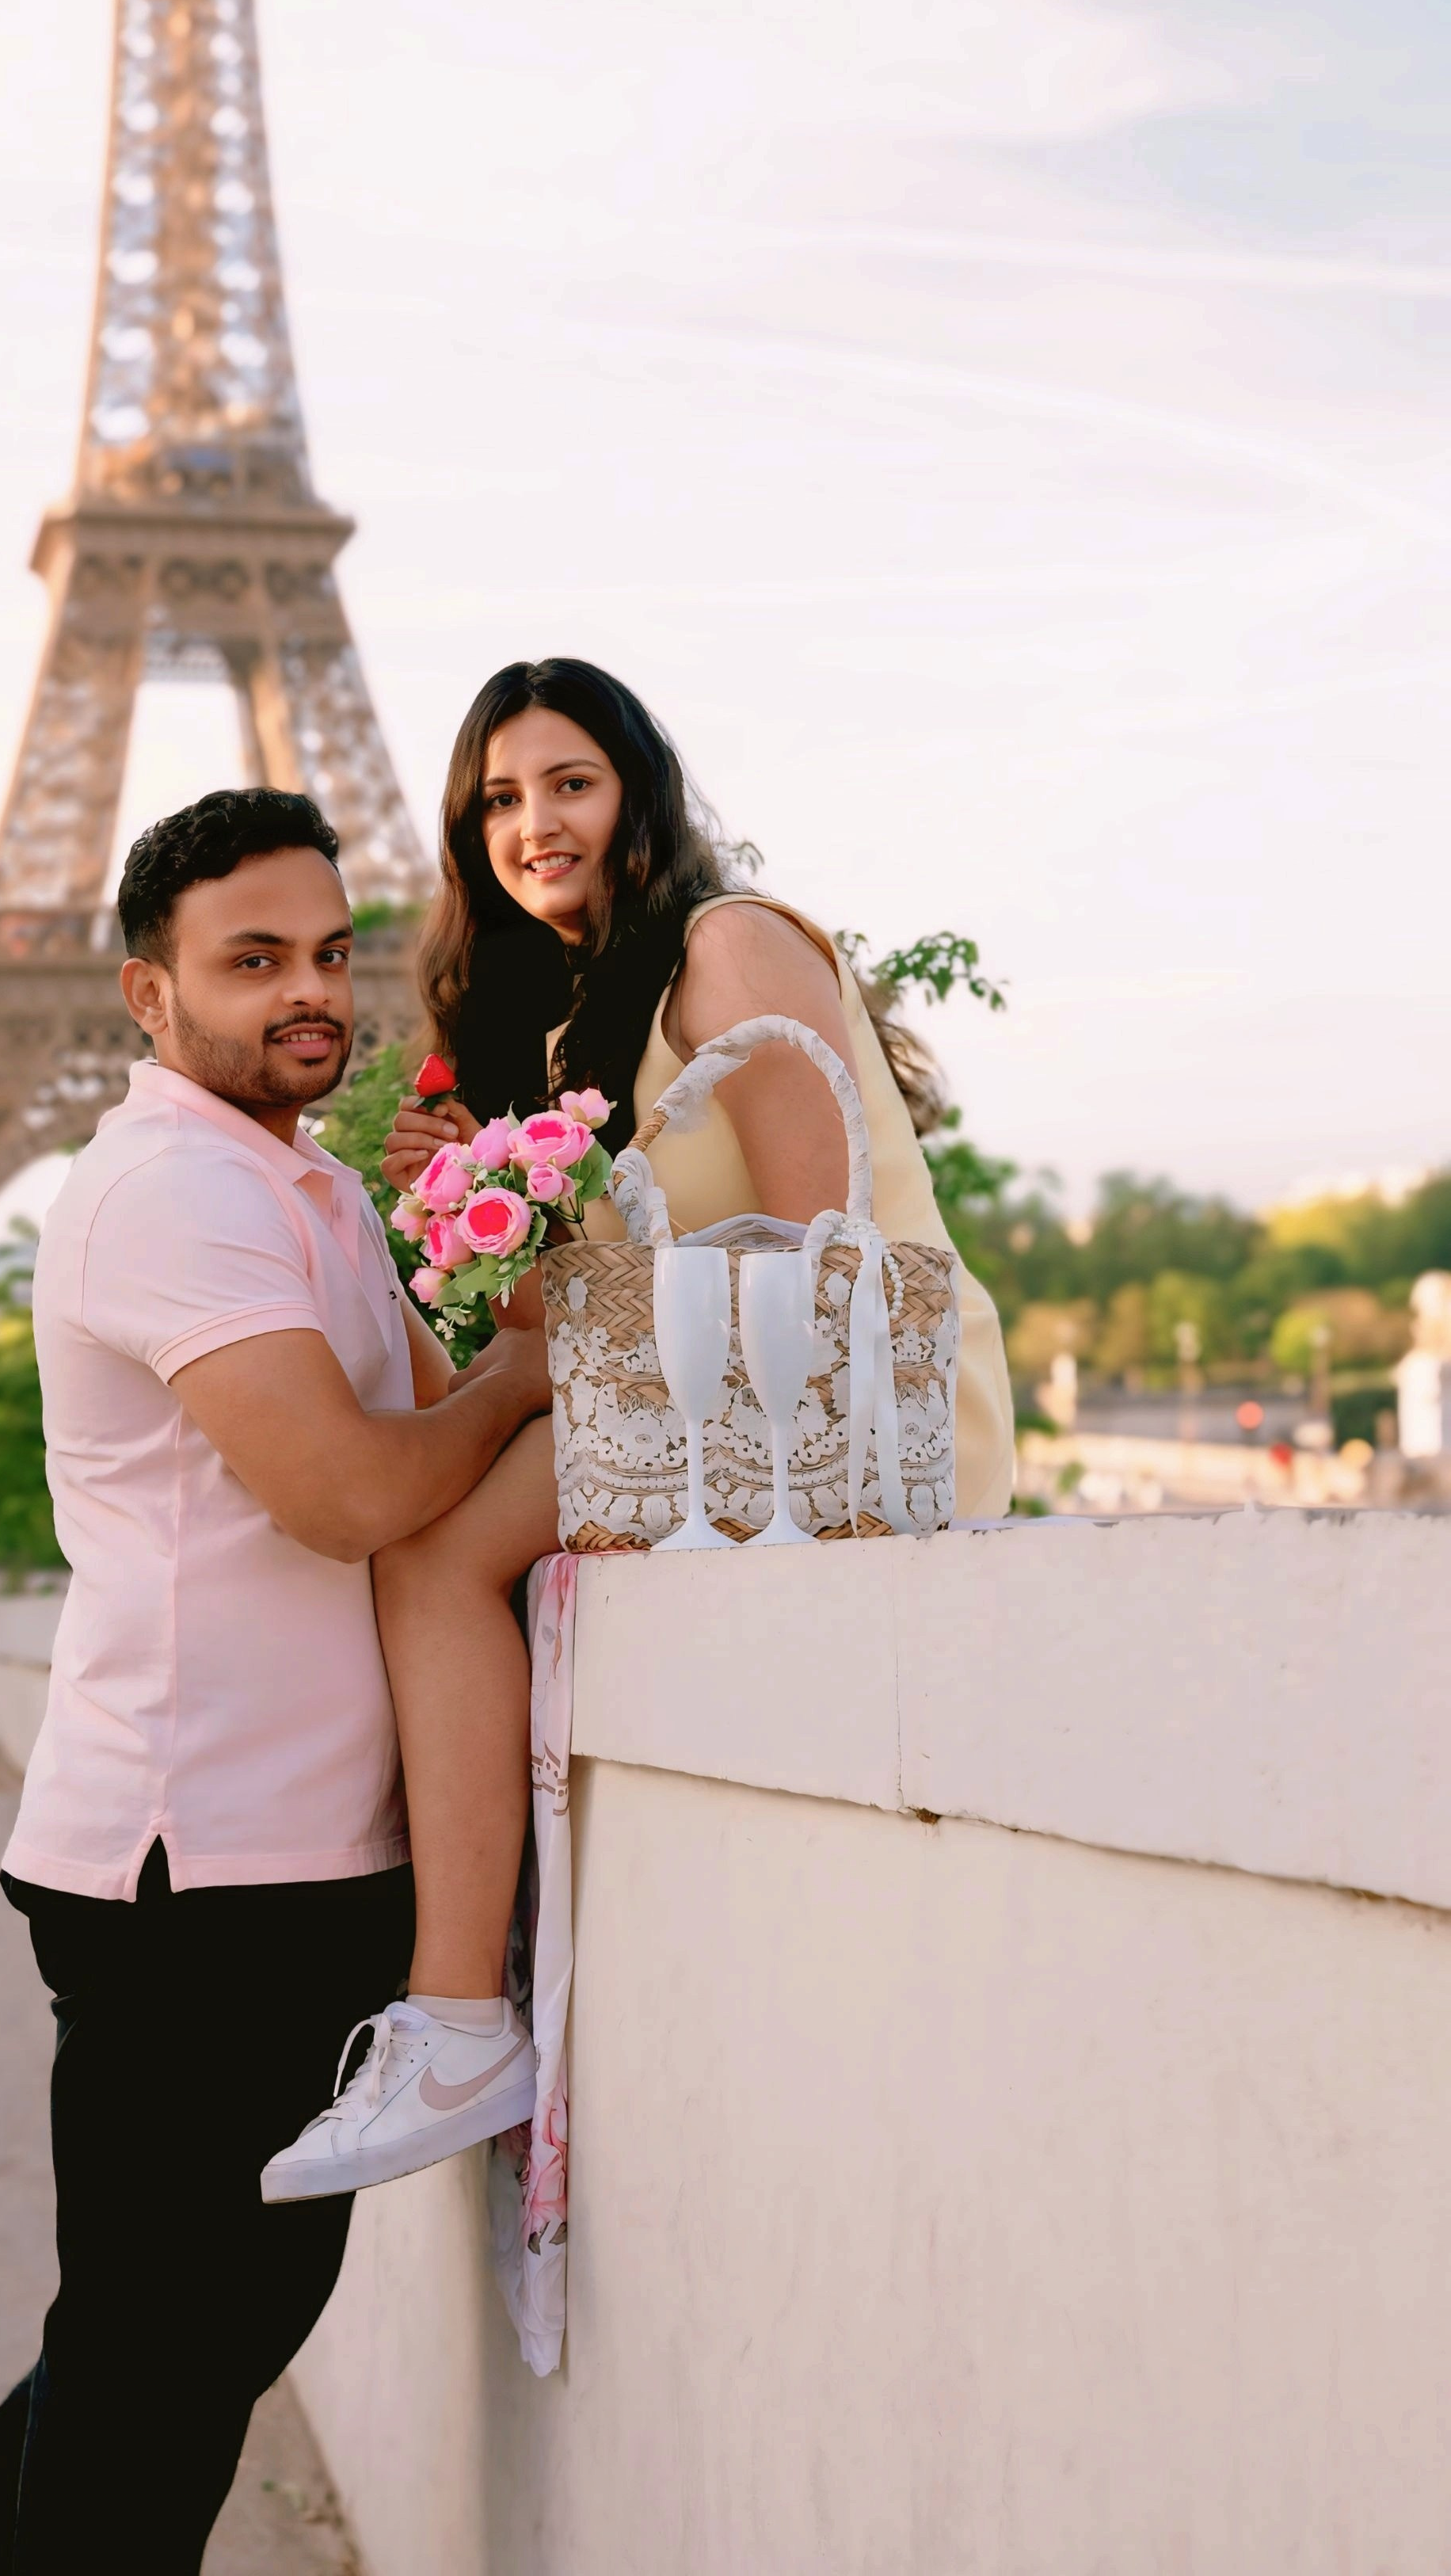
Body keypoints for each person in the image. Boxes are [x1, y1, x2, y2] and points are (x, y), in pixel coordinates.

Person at [0, 789, 551, 2576]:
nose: (308, 992)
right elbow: (359, 1490)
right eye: (252, 962)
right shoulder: (170, 1188)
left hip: (295, 1860)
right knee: (154, 2397)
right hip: (193, 1880)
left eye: (329, 954)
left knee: (169, 2356)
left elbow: (412, 1460)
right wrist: (533, 1365)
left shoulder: (301, 1178)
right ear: (146, 995)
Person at [261, 657, 1014, 2201]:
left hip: (848, 1400)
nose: (532, 822)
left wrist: (558, 1247)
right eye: (497, 799)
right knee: (437, 1509)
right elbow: (573, 1320)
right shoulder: (573, 1024)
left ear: (638, 793)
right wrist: (475, 1196)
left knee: (435, 1558)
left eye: (569, 784)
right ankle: (450, 1991)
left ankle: (460, 2015)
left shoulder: (730, 950)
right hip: (712, 1388)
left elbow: (818, 1247)